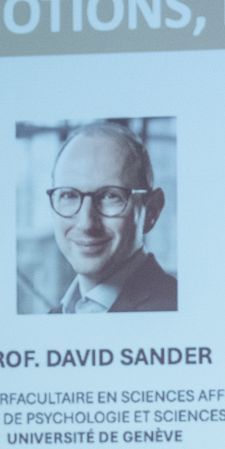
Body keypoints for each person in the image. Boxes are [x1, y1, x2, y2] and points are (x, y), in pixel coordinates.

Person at [45, 121, 178, 313]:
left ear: (151, 211)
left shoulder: (174, 309)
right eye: (69, 195)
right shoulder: (55, 317)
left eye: (110, 196)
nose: (86, 224)